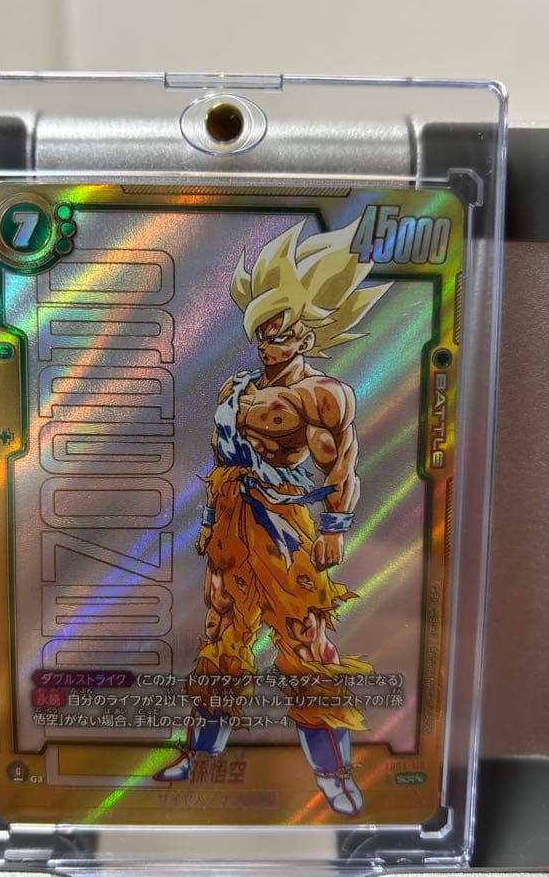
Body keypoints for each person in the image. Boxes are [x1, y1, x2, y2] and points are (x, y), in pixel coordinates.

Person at [155, 217, 391, 815]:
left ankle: (334, 773)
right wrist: (210, 526)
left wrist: (335, 529)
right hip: (233, 523)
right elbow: (220, 462)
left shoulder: (323, 396)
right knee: (223, 638)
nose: (268, 345)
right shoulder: (234, 389)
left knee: (306, 645)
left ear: (305, 336)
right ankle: (199, 756)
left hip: (287, 528)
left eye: (279, 334)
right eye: (263, 334)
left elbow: (342, 467)